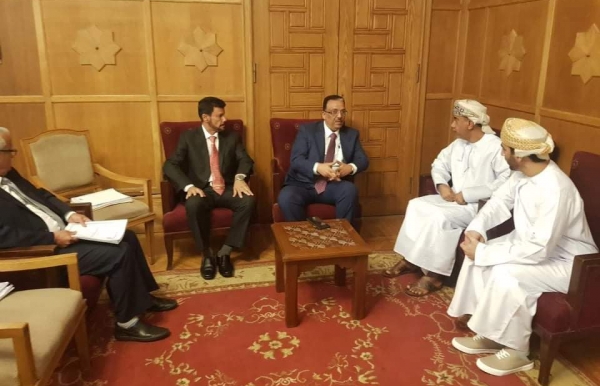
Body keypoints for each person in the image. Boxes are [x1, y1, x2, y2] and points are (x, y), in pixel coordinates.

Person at [449, 118, 598, 377]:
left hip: (572, 264)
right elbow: (498, 202)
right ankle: (490, 333)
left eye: (504, 149)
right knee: (479, 256)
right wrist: (477, 229)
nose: (501, 153)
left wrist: (484, 252)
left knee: (506, 273)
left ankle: (517, 352)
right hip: (534, 246)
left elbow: (541, 249)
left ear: (519, 155)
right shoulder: (522, 174)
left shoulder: (556, 189)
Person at [0, 127, 177, 343]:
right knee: (118, 254)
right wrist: (52, 238)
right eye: (10, 151)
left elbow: (42, 195)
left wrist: (69, 213)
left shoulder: (9, 174)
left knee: (128, 236)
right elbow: (4, 236)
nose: (13, 155)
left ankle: (144, 299)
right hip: (44, 251)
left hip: (66, 231)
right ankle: (127, 324)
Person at [383, 100, 510, 297]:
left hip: (478, 206)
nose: (452, 125)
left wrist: (469, 194)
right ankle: (411, 259)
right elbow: (439, 164)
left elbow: (506, 181)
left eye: (456, 120)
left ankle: (435, 276)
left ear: (470, 123)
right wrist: (442, 185)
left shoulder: (495, 147)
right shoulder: (458, 144)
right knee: (416, 205)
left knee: (439, 217)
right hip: (453, 200)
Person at [163, 97, 255, 280]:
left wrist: (239, 178)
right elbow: (170, 165)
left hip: (227, 188)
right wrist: (189, 186)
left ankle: (225, 252)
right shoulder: (188, 138)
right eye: (220, 116)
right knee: (193, 204)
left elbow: (246, 160)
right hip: (201, 190)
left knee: (248, 200)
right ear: (205, 117)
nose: (225, 119)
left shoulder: (231, 137)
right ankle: (207, 254)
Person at [277, 95, 369, 225]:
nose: (339, 116)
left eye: (343, 112)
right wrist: (318, 167)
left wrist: (349, 168)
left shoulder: (351, 134)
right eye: (334, 112)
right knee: (286, 197)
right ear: (324, 115)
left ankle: (342, 234)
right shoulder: (307, 131)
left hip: (333, 185)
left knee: (349, 190)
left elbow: (363, 160)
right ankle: (302, 235)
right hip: (303, 184)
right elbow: (296, 160)